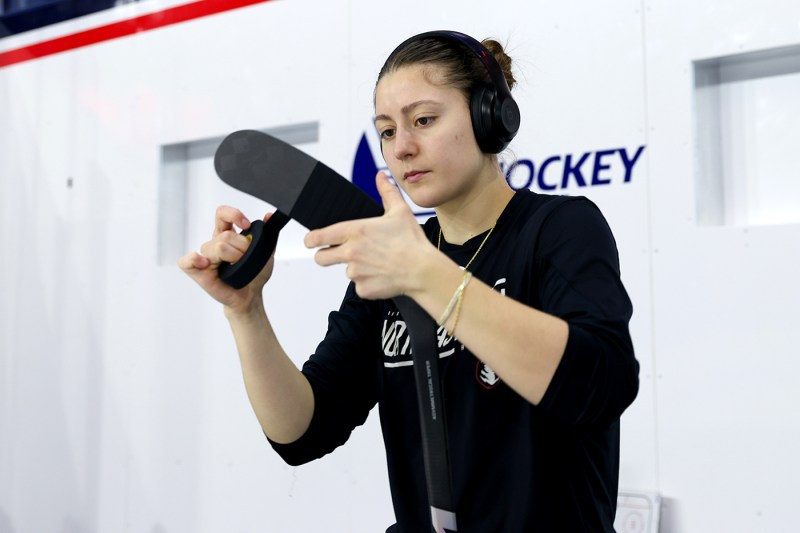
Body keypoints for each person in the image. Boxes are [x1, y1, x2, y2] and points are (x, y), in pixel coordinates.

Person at [179, 30, 639, 533]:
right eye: (387, 131)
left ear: (491, 118)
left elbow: (602, 385)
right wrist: (246, 312)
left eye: (424, 120)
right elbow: (301, 433)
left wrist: (425, 276)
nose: (403, 148)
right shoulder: (394, 260)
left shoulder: (557, 229)